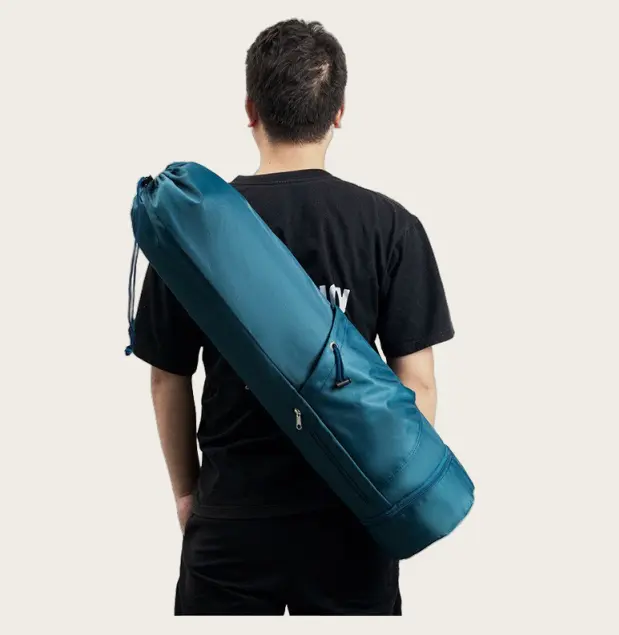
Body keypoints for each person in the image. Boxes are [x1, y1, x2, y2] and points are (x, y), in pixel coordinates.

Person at [132, 18, 455, 616]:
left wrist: (187, 496)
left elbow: (166, 378)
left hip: (231, 519)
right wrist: (389, 495)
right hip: (353, 519)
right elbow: (419, 382)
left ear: (249, 110)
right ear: (339, 114)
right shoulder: (391, 227)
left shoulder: (191, 229)